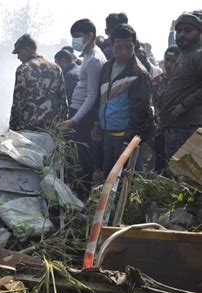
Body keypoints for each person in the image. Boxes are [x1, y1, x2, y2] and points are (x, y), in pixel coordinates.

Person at [94, 24, 153, 177]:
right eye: (119, 47)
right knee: (108, 177)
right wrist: (97, 124)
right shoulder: (107, 68)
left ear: (134, 46)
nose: (123, 52)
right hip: (108, 135)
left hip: (126, 139)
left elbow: (141, 112)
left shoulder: (138, 73)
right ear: (112, 45)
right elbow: (100, 99)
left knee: (127, 181)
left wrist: (129, 142)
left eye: (128, 47)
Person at [58, 19, 107, 200]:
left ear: (90, 36)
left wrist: (74, 120)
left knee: (83, 159)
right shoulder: (88, 56)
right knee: (78, 156)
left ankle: (83, 196)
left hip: (83, 116)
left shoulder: (94, 60)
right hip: (79, 112)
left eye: (77, 37)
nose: (74, 41)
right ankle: (79, 193)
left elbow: (92, 96)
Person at [159, 12, 202, 161]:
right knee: (173, 176)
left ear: (199, 33)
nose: (182, 34)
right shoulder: (183, 55)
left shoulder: (198, 55)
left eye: (188, 30)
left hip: (187, 128)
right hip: (175, 127)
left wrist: (183, 105)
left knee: (182, 178)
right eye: (179, 31)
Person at [9, 34, 68, 131]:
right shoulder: (56, 68)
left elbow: (18, 102)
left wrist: (12, 128)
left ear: (27, 50)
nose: (18, 57)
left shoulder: (23, 69)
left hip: (28, 128)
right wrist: (61, 126)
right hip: (51, 128)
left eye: (19, 53)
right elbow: (62, 100)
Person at [151, 46, 181, 172]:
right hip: (161, 129)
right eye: (167, 60)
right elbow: (154, 104)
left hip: (181, 129)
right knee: (160, 163)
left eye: (173, 61)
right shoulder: (156, 82)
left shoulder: (186, 83)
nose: (169, 64)